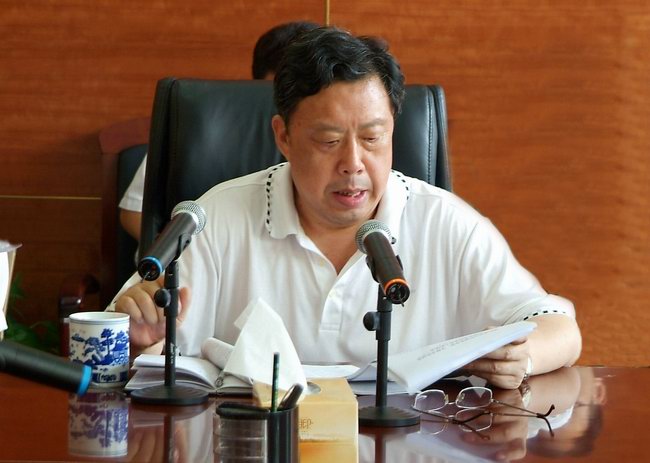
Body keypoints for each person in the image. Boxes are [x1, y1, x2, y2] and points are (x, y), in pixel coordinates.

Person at [113, 26, 582, 390]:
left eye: (373, 138)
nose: (353, 163)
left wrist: (525, 356)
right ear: (283, 136)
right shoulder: (219, 217)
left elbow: (561, 328)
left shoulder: (446, 223)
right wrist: (135, 338)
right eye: (329, 140)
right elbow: (124, 334)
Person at [118, 21, 320, 241]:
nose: (291, 105)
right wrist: (185, 254)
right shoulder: (199, 125)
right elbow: (133, 212)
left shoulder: (322, 144)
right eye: (282, 93)